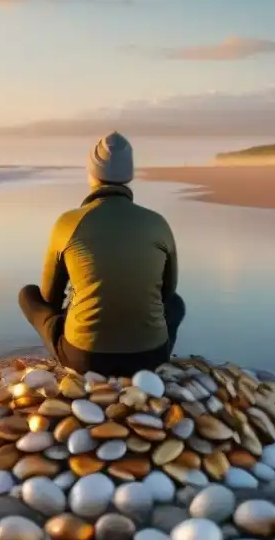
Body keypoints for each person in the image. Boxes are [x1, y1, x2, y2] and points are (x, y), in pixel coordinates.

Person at [18, 131, 186, 377]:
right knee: (177, 304)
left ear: (92, 173)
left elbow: (49, 298)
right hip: (151, 356)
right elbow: (167, 294)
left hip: (84, 358)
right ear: (129, 174)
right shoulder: (157, 223)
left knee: (28, 295)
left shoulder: (68, 222)